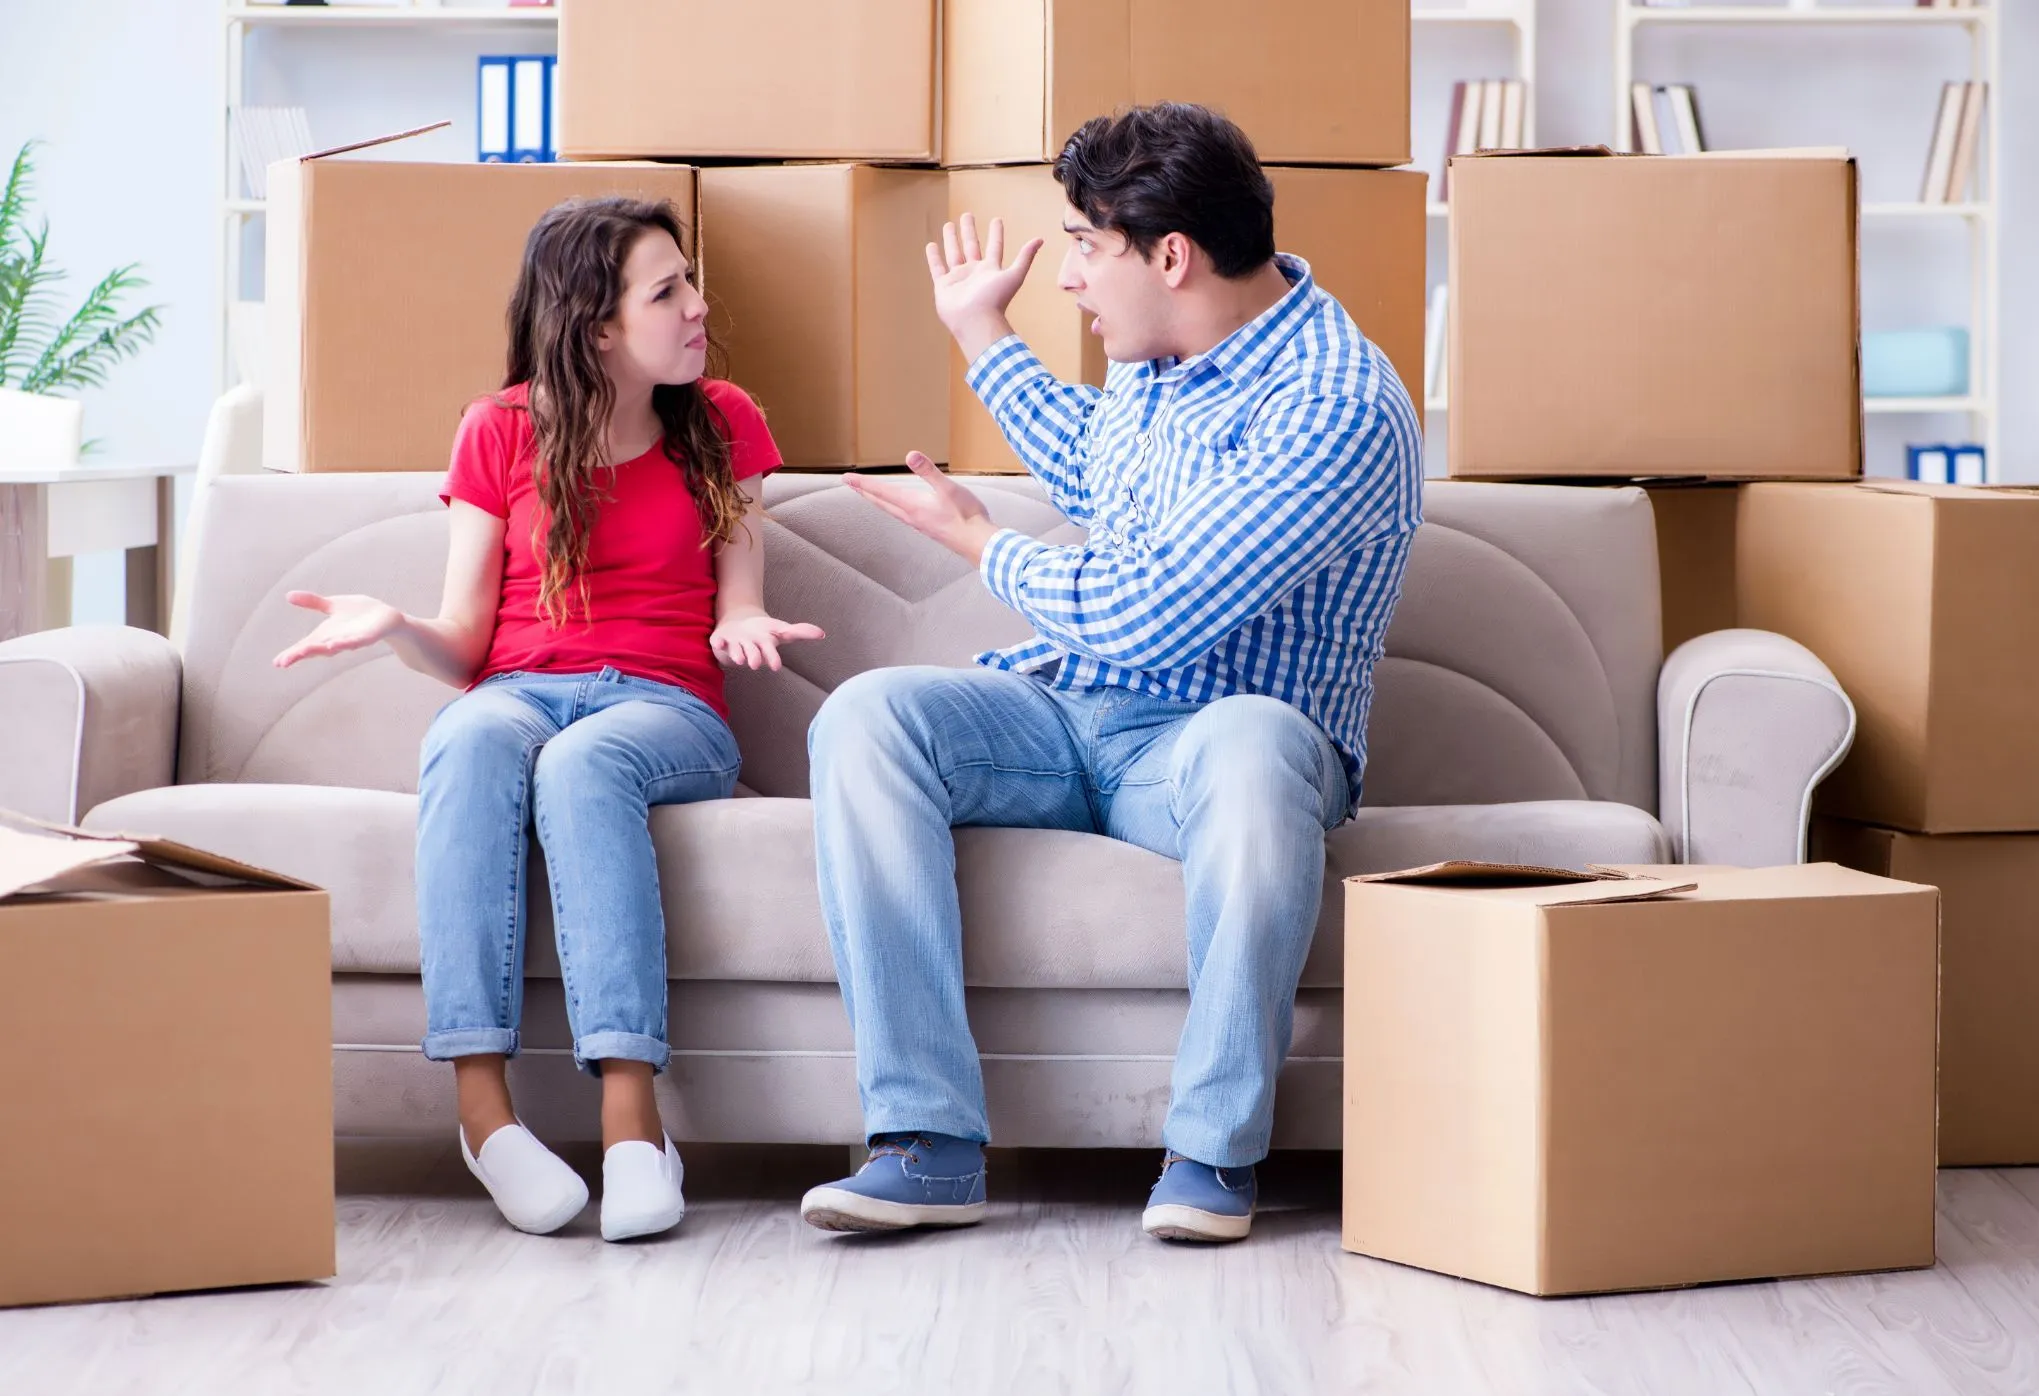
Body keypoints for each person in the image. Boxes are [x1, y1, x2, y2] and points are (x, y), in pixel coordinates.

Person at [797, 103, 1423, 1244]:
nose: (1073, 277)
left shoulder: (1335, 406)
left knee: (1253, 739)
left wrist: (983, 542)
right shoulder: (1164, 355)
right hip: (1069, 710)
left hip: (1208, 747)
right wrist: (981, 334)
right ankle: (927, 1142)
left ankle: (1212, 1154)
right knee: (870, 715)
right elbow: (1102, 471)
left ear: (1170, 256)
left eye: (1088, 245)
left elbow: (1158, 614)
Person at [274, 197, 820, 1241]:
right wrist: (395, 627)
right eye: (669, 293)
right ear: (595, 326)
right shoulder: (500, 430)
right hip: (519, 689)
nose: (700, 307)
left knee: (583, 764)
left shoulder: (722, 421)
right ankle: (485, 1114)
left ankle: (633, 1122)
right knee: (472, 735)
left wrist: (745, 622)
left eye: (689, 281)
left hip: (666, 708)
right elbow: (466, 646)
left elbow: (740, 584)